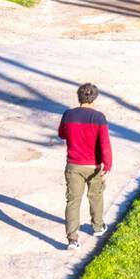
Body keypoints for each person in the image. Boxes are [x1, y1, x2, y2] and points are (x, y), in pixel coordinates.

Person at [58, 83, 112, 250]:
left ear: (79, 97)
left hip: (73, 165)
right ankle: (97, 227)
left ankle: (72, 239)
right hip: (93, 165)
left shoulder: (68, 114)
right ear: (94, 98)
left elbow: (61, 134)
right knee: (95, 195)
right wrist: (107, 165)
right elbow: (104, 144)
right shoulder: (98, 118)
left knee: (73, 201)